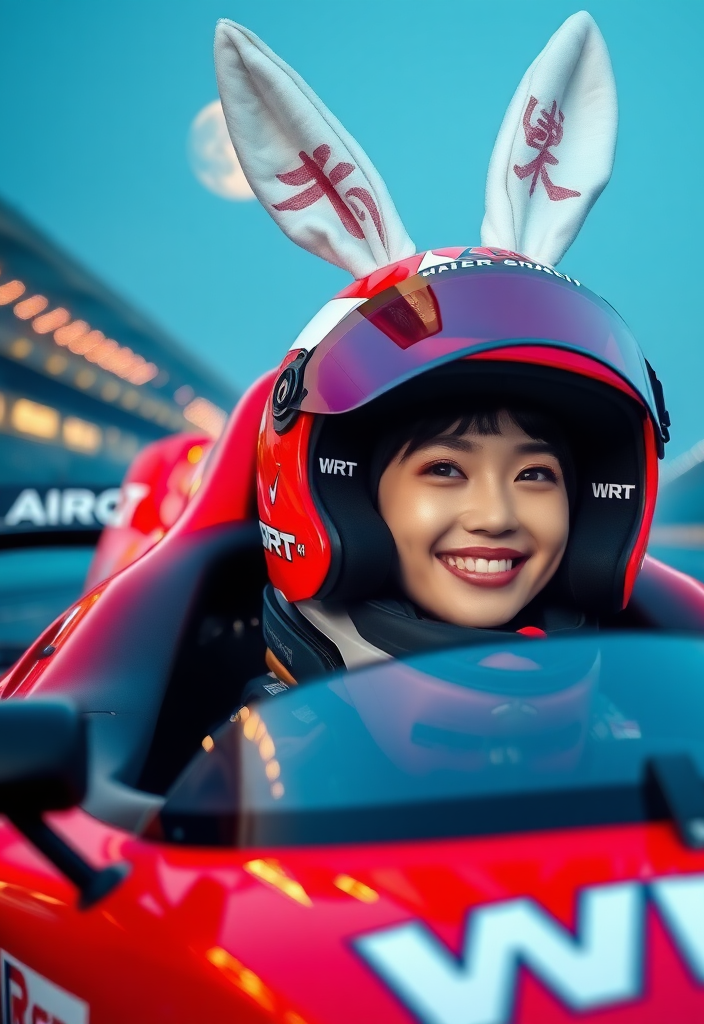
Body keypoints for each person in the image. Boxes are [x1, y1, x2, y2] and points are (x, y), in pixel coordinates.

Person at [212, 14, 670, 692]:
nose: (496, 516)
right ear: (342, 496)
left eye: (536, 475)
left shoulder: (672, 686)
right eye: (447, 469)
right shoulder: (223, 766)